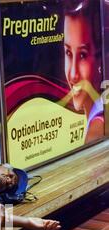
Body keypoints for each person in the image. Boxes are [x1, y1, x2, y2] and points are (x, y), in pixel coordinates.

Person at [64, 0, 104, 143]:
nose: (73, 74)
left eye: (82, 55)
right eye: (68, 53)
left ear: (101, 58)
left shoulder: (97, 130)